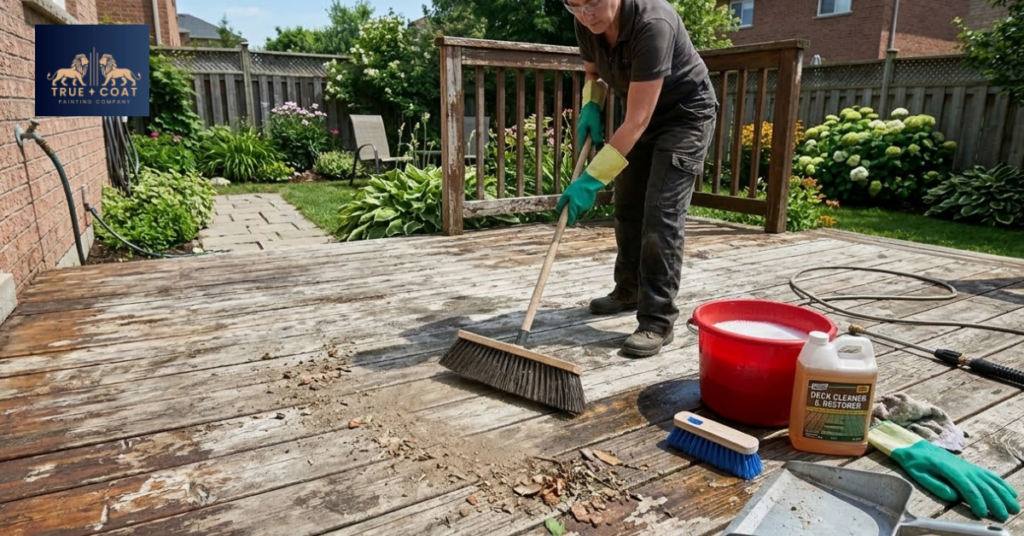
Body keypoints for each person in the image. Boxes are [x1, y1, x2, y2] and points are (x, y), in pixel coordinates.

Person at [556, 0, 718, 357]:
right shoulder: (586, 22)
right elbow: (593, 73)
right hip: (639, 114)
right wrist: (591, 105)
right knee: (627, 204)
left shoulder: (653, 23)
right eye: (574, 5)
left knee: (661, 215)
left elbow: (637, 122)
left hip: (684, 117)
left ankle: (657, 320)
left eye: (592, 2)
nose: (585, 14)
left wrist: (590, 180)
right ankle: (628, 289)